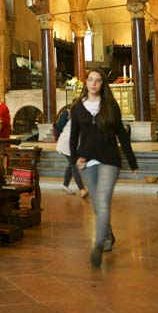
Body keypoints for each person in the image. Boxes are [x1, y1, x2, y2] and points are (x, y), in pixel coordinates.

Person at [69, 69, 138, 268]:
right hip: (87, 161)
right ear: (86, 83)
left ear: (102, 85)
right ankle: (108, 235)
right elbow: (74, 136)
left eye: (98, 80)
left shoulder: (110, 106)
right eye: (90, 79)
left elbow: (122, 135)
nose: (94, 83)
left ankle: (98, 246)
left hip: (109, 159)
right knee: (97, 205)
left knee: (103, 201)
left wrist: (131, 161)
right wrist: (74, 159)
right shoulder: (77, 108)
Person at [54, 107, 87, 197]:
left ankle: (65, 185)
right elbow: (59, 127)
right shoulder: (67, 113)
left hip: (73, 144)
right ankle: (82, 189)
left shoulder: (82, 116)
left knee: (71, 164)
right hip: (65, 143)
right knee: (74, 164)